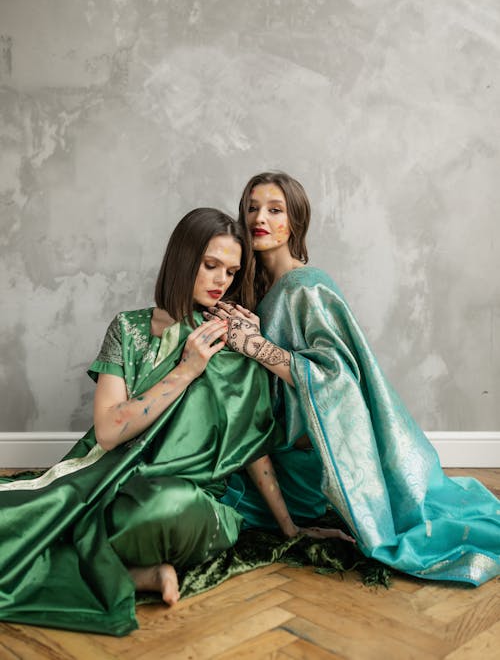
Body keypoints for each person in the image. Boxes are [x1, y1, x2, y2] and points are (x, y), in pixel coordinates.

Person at [0, 207, 298, 637]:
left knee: (164, 506)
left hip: (187, 501)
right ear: (182, 259)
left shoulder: (230, 337)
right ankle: (137, 572)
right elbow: (107, 430)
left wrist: (291, 529)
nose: (221, 281)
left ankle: (110, 561)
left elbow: (251, 445)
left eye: (231, 272)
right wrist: (187, 369)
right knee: (18, 522)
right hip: (110, 483)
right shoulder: (129, 328)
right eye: (210, 265)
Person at [206, 172, 500, 586]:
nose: (260, 218)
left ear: (296, 222)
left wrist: (253, 346)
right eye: (252, 208)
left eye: (275, 210)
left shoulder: (307, 287)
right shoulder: (253, 287)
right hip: (265, 442)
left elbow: (337, 380)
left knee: (217, 498)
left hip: (306, 457)